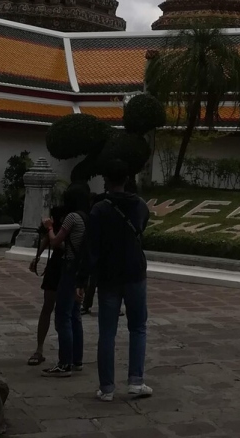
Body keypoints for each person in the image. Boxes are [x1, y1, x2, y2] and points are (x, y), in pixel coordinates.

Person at [78, 158, 151, 402]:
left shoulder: (99, 209)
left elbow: (91, 247)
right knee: (138, 327)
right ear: (127, 179)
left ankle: (107, 387)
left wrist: (82, 279)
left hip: (108, 275)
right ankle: (136, 381)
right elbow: (141, 227)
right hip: (135, 272)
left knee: (107, 332)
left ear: (106, 180)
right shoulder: (140, 205)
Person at [41, 184, 90, 378]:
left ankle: (64, 363)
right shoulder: (87, 217)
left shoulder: (72, 217)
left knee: (63, 315)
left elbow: (55, 241)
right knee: (75, 314)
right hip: (82, 268)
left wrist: (49, 227)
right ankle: (77, 360)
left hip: (69, 267)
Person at [28, 202, 66, 366]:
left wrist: (51, 231)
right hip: (55, 265)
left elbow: (58, 243)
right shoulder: (59, 213)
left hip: (67, 265)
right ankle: (39, 348)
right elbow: (48, 239)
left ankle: (66, 351)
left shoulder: (76, 217)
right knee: (47, 306)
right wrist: (37, 256)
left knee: (64, 311)